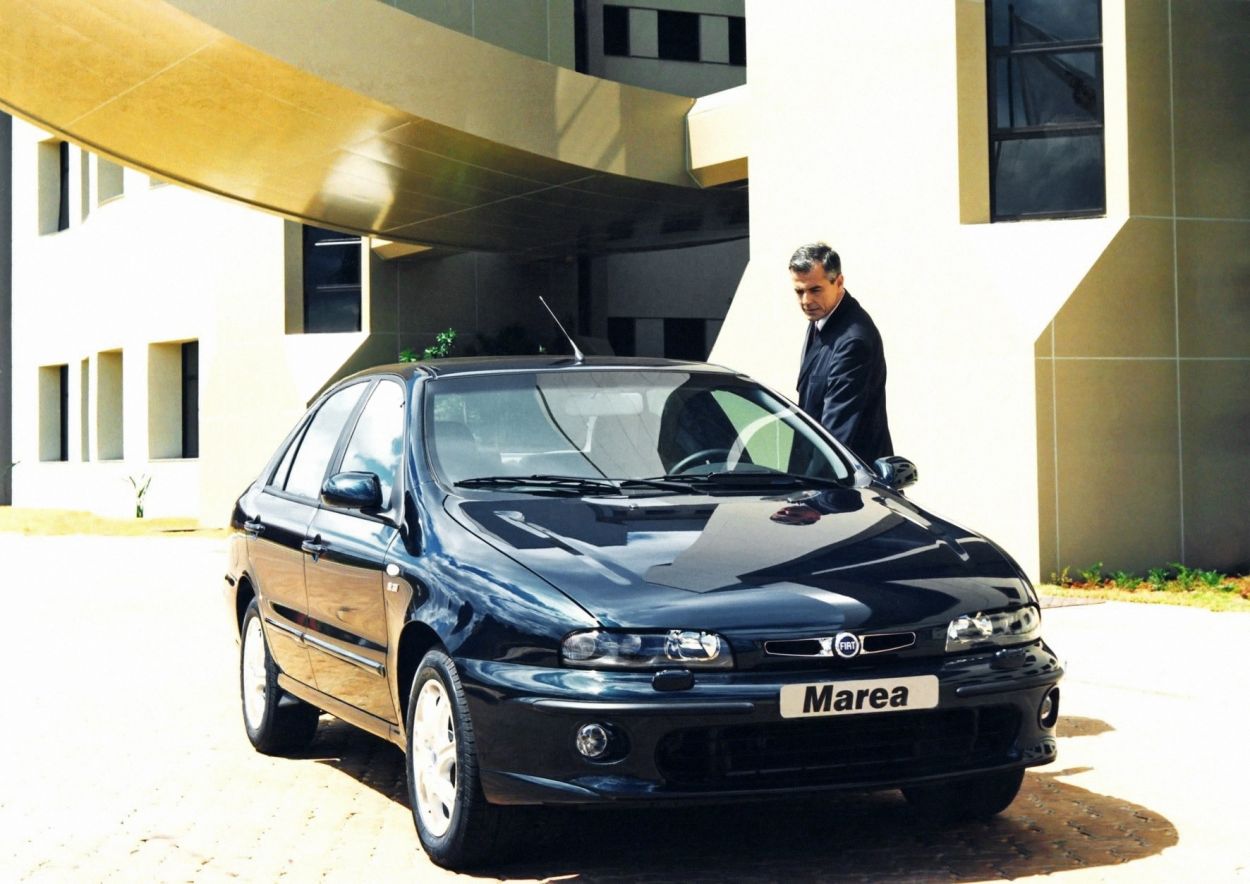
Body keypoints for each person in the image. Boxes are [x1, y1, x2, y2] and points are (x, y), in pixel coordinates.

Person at [789, 242, 893, 462]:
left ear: (839, 282)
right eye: (799, 291)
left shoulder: (853, 340)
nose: (806, 301)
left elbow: (836, 434)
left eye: (815, 290)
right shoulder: (822, 317)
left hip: (850, 482)